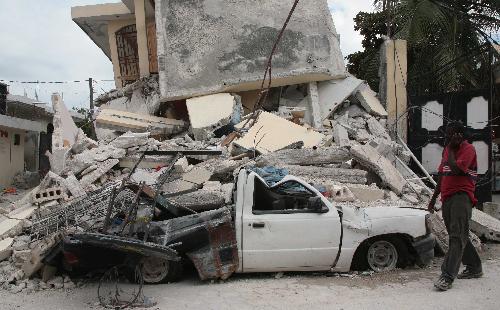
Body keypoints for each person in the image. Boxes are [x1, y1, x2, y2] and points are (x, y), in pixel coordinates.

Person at [428, 122, 482, 291]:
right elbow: (442, 176)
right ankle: (474, 267)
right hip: (447, 198)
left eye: (460, 133)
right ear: (448, 135)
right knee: (457, 234)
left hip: (462, 196)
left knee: (457, 237)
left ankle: (447, 276)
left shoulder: (468, 149)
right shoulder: (446, 151)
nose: (457, 136)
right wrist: (432, 201)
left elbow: (457, 170)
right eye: (453, 133)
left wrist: (450, 150)